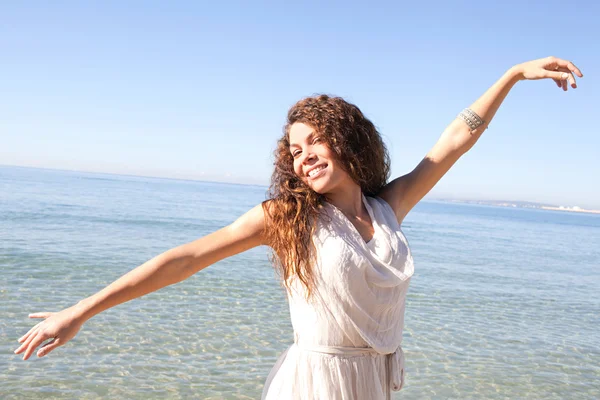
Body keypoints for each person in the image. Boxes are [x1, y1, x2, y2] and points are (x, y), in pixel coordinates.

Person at [15, 56, 582, 399]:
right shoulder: (287, 218)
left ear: (348, 140)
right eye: (294, 148)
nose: (304, 155)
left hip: (372, 382)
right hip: (315, 383)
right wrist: (81, 310)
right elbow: (185, 259)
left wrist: (510, 76)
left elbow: (452, 145)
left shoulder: (387, 208)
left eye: (316, 140)